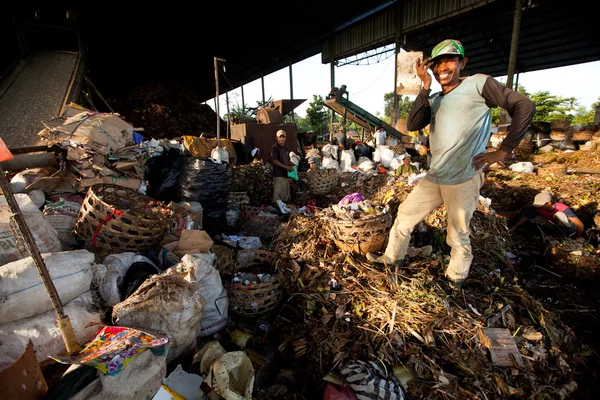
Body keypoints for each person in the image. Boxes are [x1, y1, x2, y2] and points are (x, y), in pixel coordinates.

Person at [366, 38, 535, 290]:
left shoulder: (478, 84)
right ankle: (392, 258)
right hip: (436, 176)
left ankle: (456, 277)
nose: (443, 67)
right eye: (437, 63)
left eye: (449, 60)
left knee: (457, 233)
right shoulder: (434, 100)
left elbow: (524, 105)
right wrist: (424, 85)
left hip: (464, 176)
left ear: (462, 63)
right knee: (404, 216)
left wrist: (503, 150)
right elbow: (412, 125)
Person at [510, 191, 584, 238]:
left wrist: (578, 237)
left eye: (541, 205)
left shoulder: (562, 208)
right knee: (533, 217)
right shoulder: (538, 208)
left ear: (549, 203)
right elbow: (527, 216)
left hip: (569, 229)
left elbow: (579, 224)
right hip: (553, 226)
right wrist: (516, 226)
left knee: (559, 214)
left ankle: (564, 235)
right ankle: (552, 233)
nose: (539, 207)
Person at [270, 129, 294, 204]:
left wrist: (292, 164)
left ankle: (284, 211)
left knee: (285, 194)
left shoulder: (286, 148)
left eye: (283, 137)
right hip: (278, 174)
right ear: (277, 138)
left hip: (285, 175)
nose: (282, 139)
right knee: (278, 194)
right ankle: (277, 210)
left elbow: (287, 160)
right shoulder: (275, 148)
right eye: (280, 137)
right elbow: (274, 160)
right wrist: (286, 167)